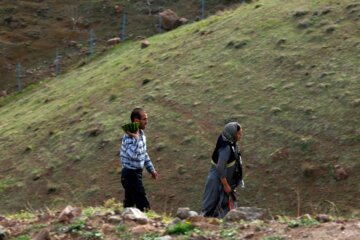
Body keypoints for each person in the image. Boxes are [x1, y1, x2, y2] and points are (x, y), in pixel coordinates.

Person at [201, 122, 244, 218]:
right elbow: (220, 168)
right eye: (239, 133)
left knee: (225, 207)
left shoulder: (230, 142)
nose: (241, 136)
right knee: (210, 205)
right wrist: (226, 185)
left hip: (224, 182)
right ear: (232, 134)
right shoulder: (226, 148)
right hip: (217, 182)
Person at [119, 108, 158, 211]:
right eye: (144, 119)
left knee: (129, 205)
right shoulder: (128, 137)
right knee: (143, 204)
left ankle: (125, 224)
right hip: (129, 174)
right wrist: (135, 138)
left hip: (137, 174)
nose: (147, 122)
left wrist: (151, 170)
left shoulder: (142, 134)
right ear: (137, 121)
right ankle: (148, 223)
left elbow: (143, 154)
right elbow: (133, 155)